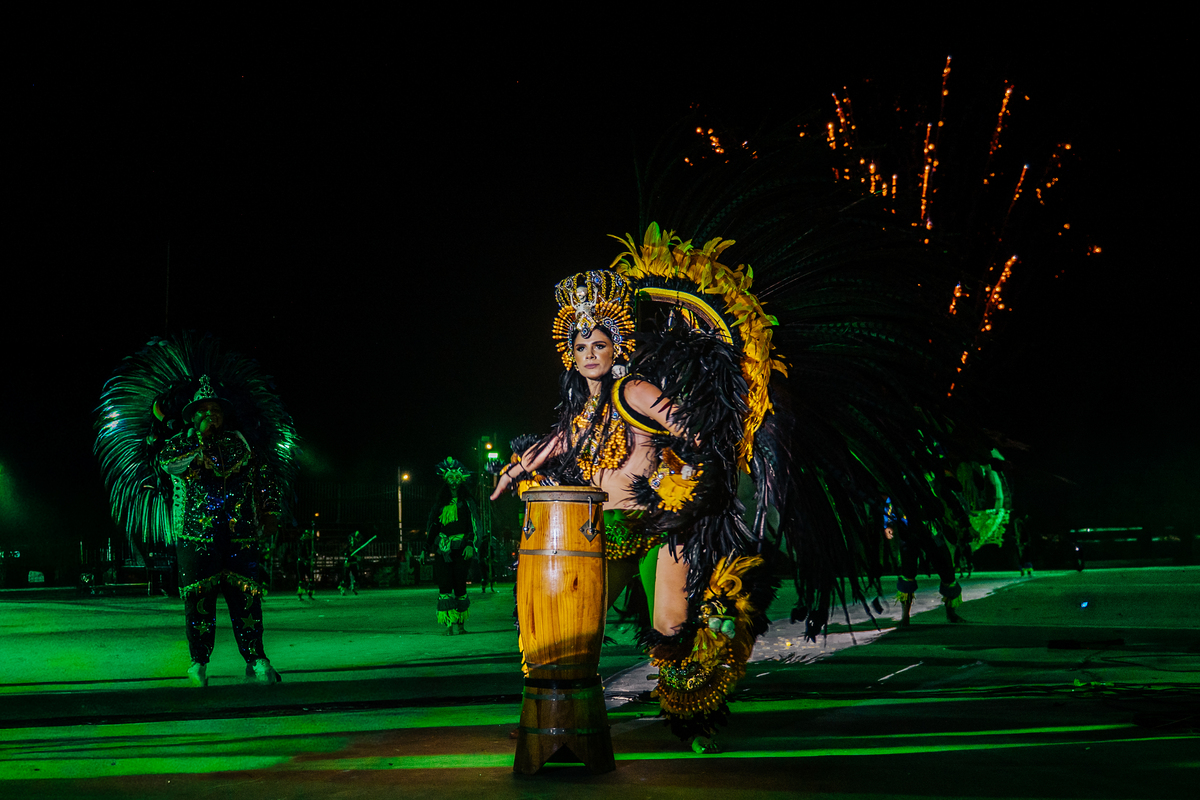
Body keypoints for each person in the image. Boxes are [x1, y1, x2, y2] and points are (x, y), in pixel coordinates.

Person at [492, 266, 777, 753]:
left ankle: (696, 722)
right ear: (569, 354)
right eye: (581, 347)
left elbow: (697, 430)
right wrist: (514, 470)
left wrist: (682, 478)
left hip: (659, 527)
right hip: (607, 532)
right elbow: (553, 444)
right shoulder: (581, 412)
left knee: (670, 624)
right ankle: (556, 716)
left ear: (617, 347)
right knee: (572, 624)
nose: (590, 355)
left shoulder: (634, 390)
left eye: (599, 345)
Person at [159, 376, 283, 686]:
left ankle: (256, 659)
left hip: (241, 536)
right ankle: (199, 662)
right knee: (199, 602)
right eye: (203, 411)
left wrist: (270, 511)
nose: (210, 416)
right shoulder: (180, 443)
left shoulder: (241, 443)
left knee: (247, 601)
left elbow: (265, 475)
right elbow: (169, 464)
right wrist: (197, 440)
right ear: (192, 417)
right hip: (197, 538)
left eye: (215, 411)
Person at [427, 458, 479, 635]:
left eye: (457, 477)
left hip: (462, 549)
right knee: (444, 585)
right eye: (450, 477)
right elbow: (433, 526)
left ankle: (461, 625)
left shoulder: (467, 502)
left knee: (460, 585)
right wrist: (426, 548)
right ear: (445, 479)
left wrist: (471, 544)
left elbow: (473, 526)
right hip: (443, 550)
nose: (454, 481)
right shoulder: (440, 504)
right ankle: (449, 625)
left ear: (462, 479)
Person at [339, 530, 362, 596]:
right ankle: (343, 590)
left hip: (354, 563)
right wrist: (347, 557)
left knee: (356, 576)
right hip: (348, 564)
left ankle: (354, 587)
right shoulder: (348, 547)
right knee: (345, 577)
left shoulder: (357, 548)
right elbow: (343, 553)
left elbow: (360, 557)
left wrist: (356, 556)